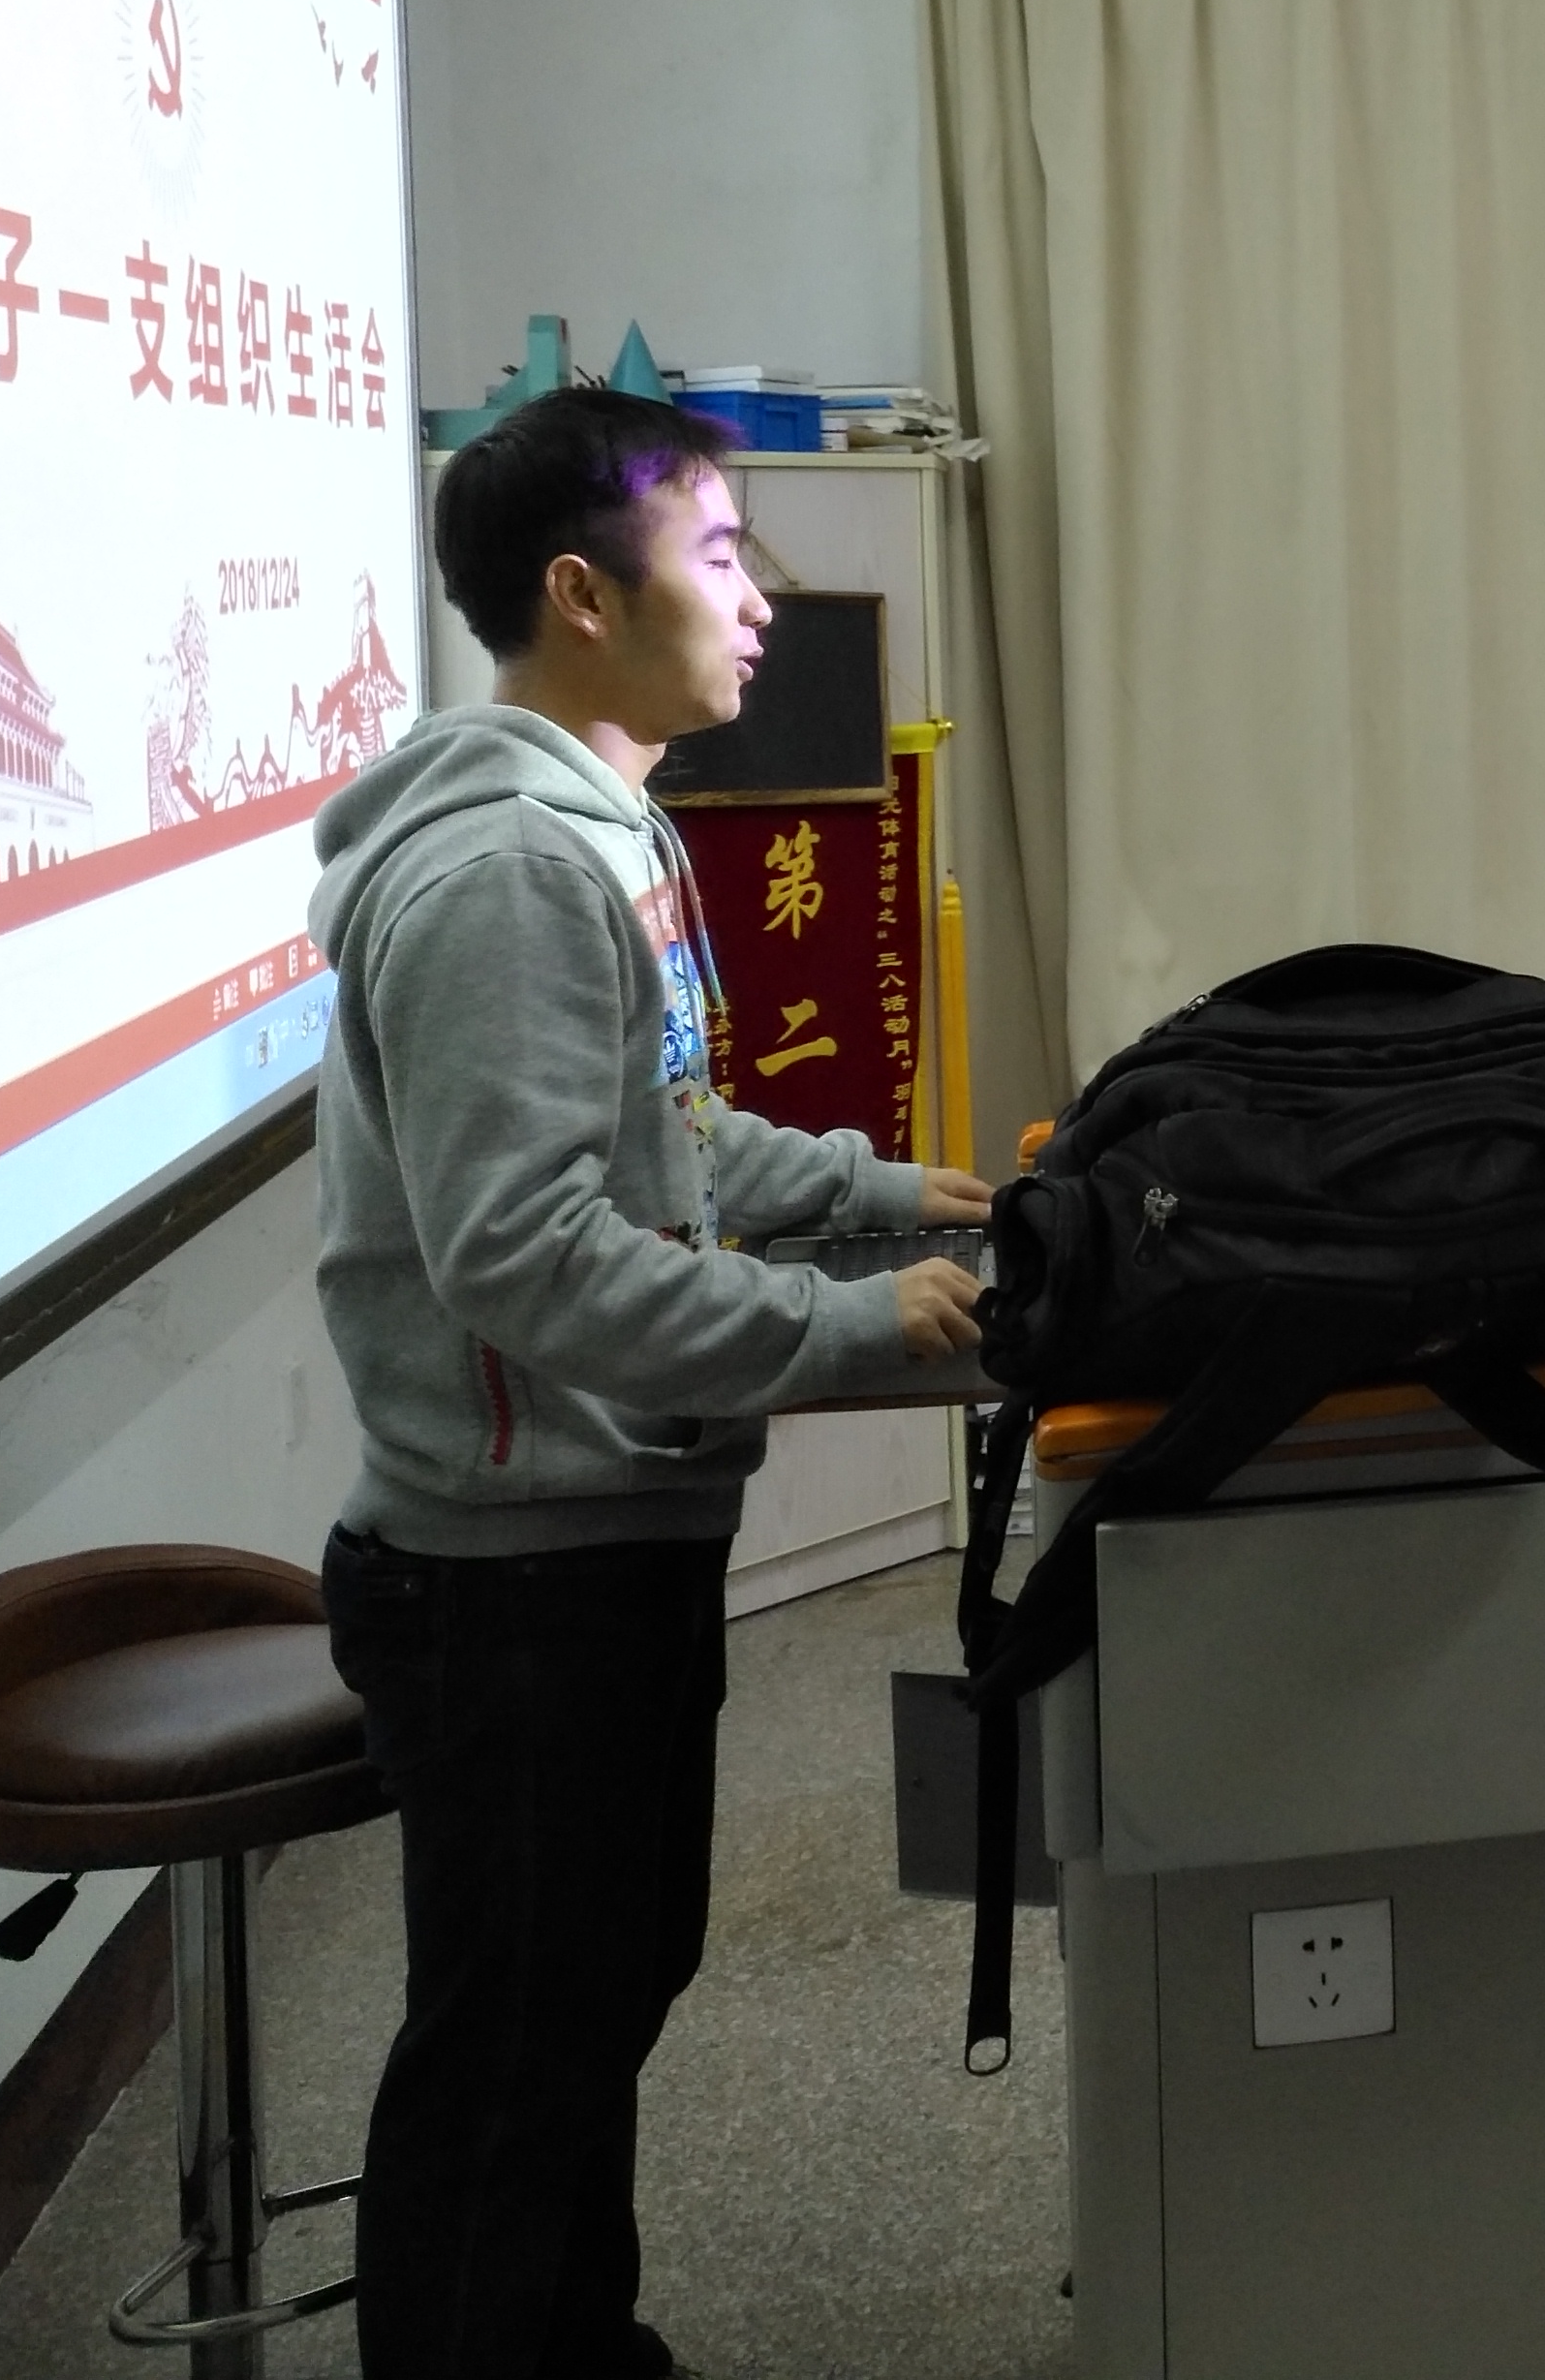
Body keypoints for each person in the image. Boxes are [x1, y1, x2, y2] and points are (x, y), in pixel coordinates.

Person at [311, 387, 995, 2380]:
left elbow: (661, 1135)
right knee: (520, 2046)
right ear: (583, 594)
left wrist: (876, 1190)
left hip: (594, 1533)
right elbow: (525, 1254)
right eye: (715, 553)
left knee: (591, 1998)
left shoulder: (599, 823)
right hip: (514, 1574)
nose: (759, 598)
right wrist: (850, 1327)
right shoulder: (509, 871)